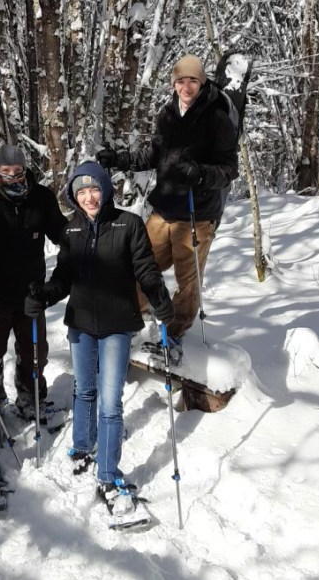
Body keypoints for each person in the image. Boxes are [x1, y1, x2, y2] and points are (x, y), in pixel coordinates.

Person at [24, 161, 174, 516]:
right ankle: (81, 445)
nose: (89, 197)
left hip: (118, 325)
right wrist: (42, 295)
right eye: (81, 192)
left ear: (105, 189)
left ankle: (108, 473)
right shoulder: (72, 230)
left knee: (110, 402)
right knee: (84, 389)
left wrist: (160, 299)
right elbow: (63, 277)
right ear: (74, 196)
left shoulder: (128, 224)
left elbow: (145, 269)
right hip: (81, 324)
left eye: (94, 189)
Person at [96, 54, 238, 361]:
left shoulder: (217, 119)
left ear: (201, 82)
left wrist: (200, 173)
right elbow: (153, 154)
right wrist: (120, 159)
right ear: (173, 84)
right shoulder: (168, 114)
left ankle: (173, 336)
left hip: (196, 213)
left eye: (192, 80)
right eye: (180, 81)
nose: (186, 87)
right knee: (141, 264)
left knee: (188, 281)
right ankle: (131, 319)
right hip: (163, 209)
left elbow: (229, 169)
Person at [0, 144, 66, 421]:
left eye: (17, 171)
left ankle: (31, 398)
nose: (12, 177)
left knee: (35, 352)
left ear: (25, 170)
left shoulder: (40, 197)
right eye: (5, 171)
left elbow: (62, 234)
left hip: (31, 292)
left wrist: (85, 240)